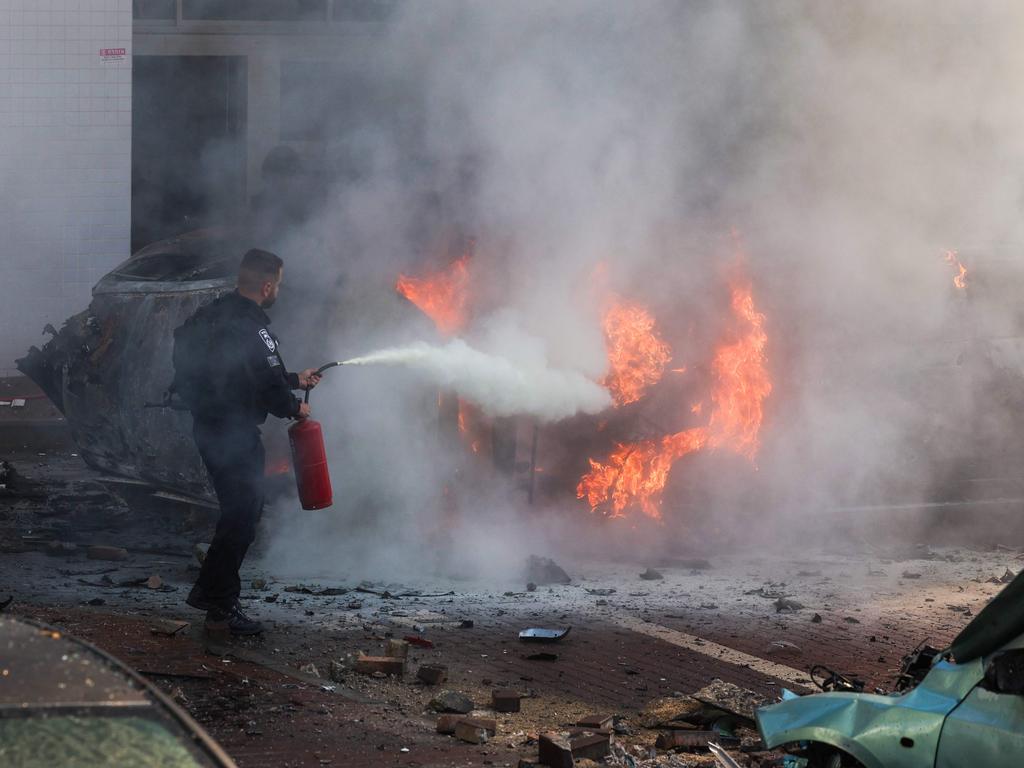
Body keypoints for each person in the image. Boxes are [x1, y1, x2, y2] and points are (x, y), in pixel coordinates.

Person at [181, 249, 322, 635]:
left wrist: (295, 379)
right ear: (267, 285)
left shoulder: (213, 314)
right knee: (242, 517)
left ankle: (213, 596)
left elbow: (245, 374)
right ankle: (219, 604)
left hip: (209, 427)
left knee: (236, 513)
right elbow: (266, 382)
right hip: (235, 434)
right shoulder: (254, 327)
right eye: (278, 283)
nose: (279, 290)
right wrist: (295, 407)